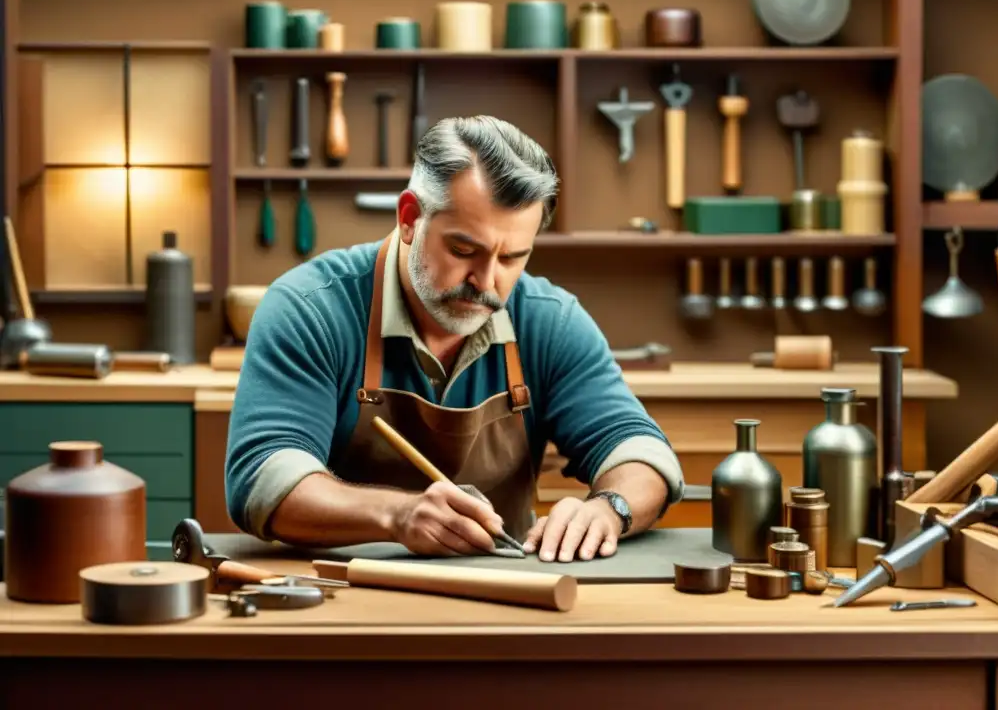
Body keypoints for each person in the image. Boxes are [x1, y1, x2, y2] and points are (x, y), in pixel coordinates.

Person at [225, 115, 685, 563]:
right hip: (339, 595)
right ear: (409, 218)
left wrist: (609, 509)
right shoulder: (312, 308)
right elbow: (264, 479)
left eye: (513, 258)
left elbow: (639, 451)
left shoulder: (549, 320)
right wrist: (396, 515)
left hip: (503, 599)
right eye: (464, 250)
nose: (486, 281)